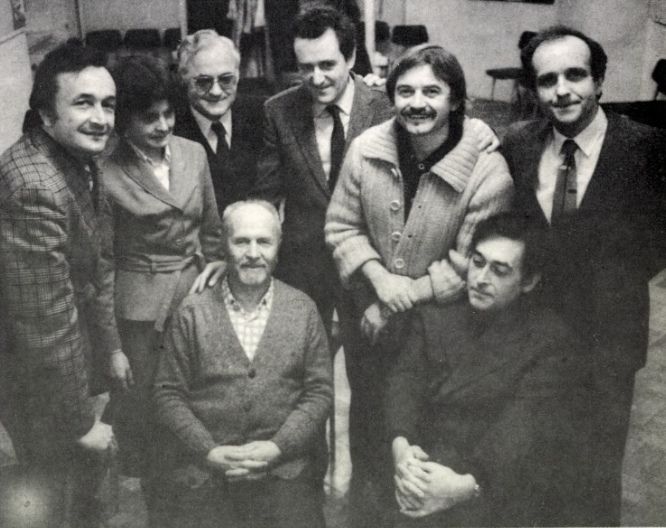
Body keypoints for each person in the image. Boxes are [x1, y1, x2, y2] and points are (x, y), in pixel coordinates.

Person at [325, 44, 513, 527]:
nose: (417, 103)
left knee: (422, 444)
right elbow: (341, 227)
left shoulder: (488, 170)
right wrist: (378, 281)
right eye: (405, 91)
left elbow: (468, 263)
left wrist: (394, 301)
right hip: (369, 323)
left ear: (456, 99)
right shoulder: (365, 148)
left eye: (432, 91)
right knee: (369, 432)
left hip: (440, 335)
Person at [502, 26, 666, 525]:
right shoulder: (519, 145)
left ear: (598, 80)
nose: (562, 90)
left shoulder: (646, 147)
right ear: (534, 89)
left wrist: (610, 277)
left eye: (575, 75)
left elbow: (658, 239)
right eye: (547, 80)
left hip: (607, 342)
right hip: (532, 340)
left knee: (594, 478)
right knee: (530, 468)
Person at [387, 212, 591, 527]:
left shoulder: (550, 341)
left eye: (499, 270)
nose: (481, 279)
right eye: (478, 262)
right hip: (421, 474)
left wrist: (465, 486)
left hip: (493, 490)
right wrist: (402, 448)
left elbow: (519, 431)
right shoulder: (436, 317)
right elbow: (404, 383)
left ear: (529, 281)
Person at [0, 43, 128, 527]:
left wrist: (112, 348)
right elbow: (45, 326)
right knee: (53, 506)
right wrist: (81, 424)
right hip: (36, 387)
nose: (101, 119)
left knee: (81, 502)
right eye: (83, 103)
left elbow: (98, 265)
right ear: (45, 114)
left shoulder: (77, 156)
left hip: (67, 369)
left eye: (108, 104)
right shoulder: (34, 184)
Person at [152, 200, 333, 528]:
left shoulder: (303, 310)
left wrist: (278, 448)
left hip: (283, 470)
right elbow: (168, 394)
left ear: (278, 246)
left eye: (263, 241)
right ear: (224, 246)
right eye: (241, 241)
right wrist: (208, 451)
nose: (253, 253)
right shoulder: (191, 312)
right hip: (206, 473)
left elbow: (319, 392)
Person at [100, 54, 224, 518]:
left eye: (169, 113)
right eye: (148, 117)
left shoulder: (193, 153)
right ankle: (163, 512)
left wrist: (216, 268)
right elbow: (102, 263)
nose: (162, 125)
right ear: (124, 121)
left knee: (204, 401)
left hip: (197, 295)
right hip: (141, 313)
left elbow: (212, 229)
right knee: (152, 415)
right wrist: (112, 344)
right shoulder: (106, 171)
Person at [174, 30, 264, 214]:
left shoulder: (263, 115)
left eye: (226, 79)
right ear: (184, 78)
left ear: (238, 76)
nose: (216, 91)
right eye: (203, 82)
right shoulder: (170, 127)